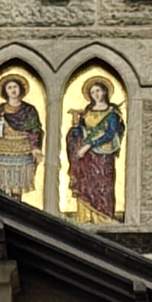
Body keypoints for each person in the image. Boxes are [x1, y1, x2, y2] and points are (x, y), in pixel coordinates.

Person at [63, 74, 124, 221]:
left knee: (102, 185)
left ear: (105, 92)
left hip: (103, 154)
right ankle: (85, 216)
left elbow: (110, 133)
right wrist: (76, 128)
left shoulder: (112, 113)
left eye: (98, 91)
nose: (96, 94)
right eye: (93, 92)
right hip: (86, 157)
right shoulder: (87, 112)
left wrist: (91, 144)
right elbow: (80, 132)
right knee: (85, 184)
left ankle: (102, 217)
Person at [0, 71, 44, 202]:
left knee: (18, 185)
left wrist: (35, 147)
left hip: (22, 149)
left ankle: (16, 207)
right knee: (2, 185)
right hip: (1, 150)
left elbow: (35, 129)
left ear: (21, 89)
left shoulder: (29, 110)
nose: (13, 90)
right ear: (5, 91)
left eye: (15, 87)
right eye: (9, 88)